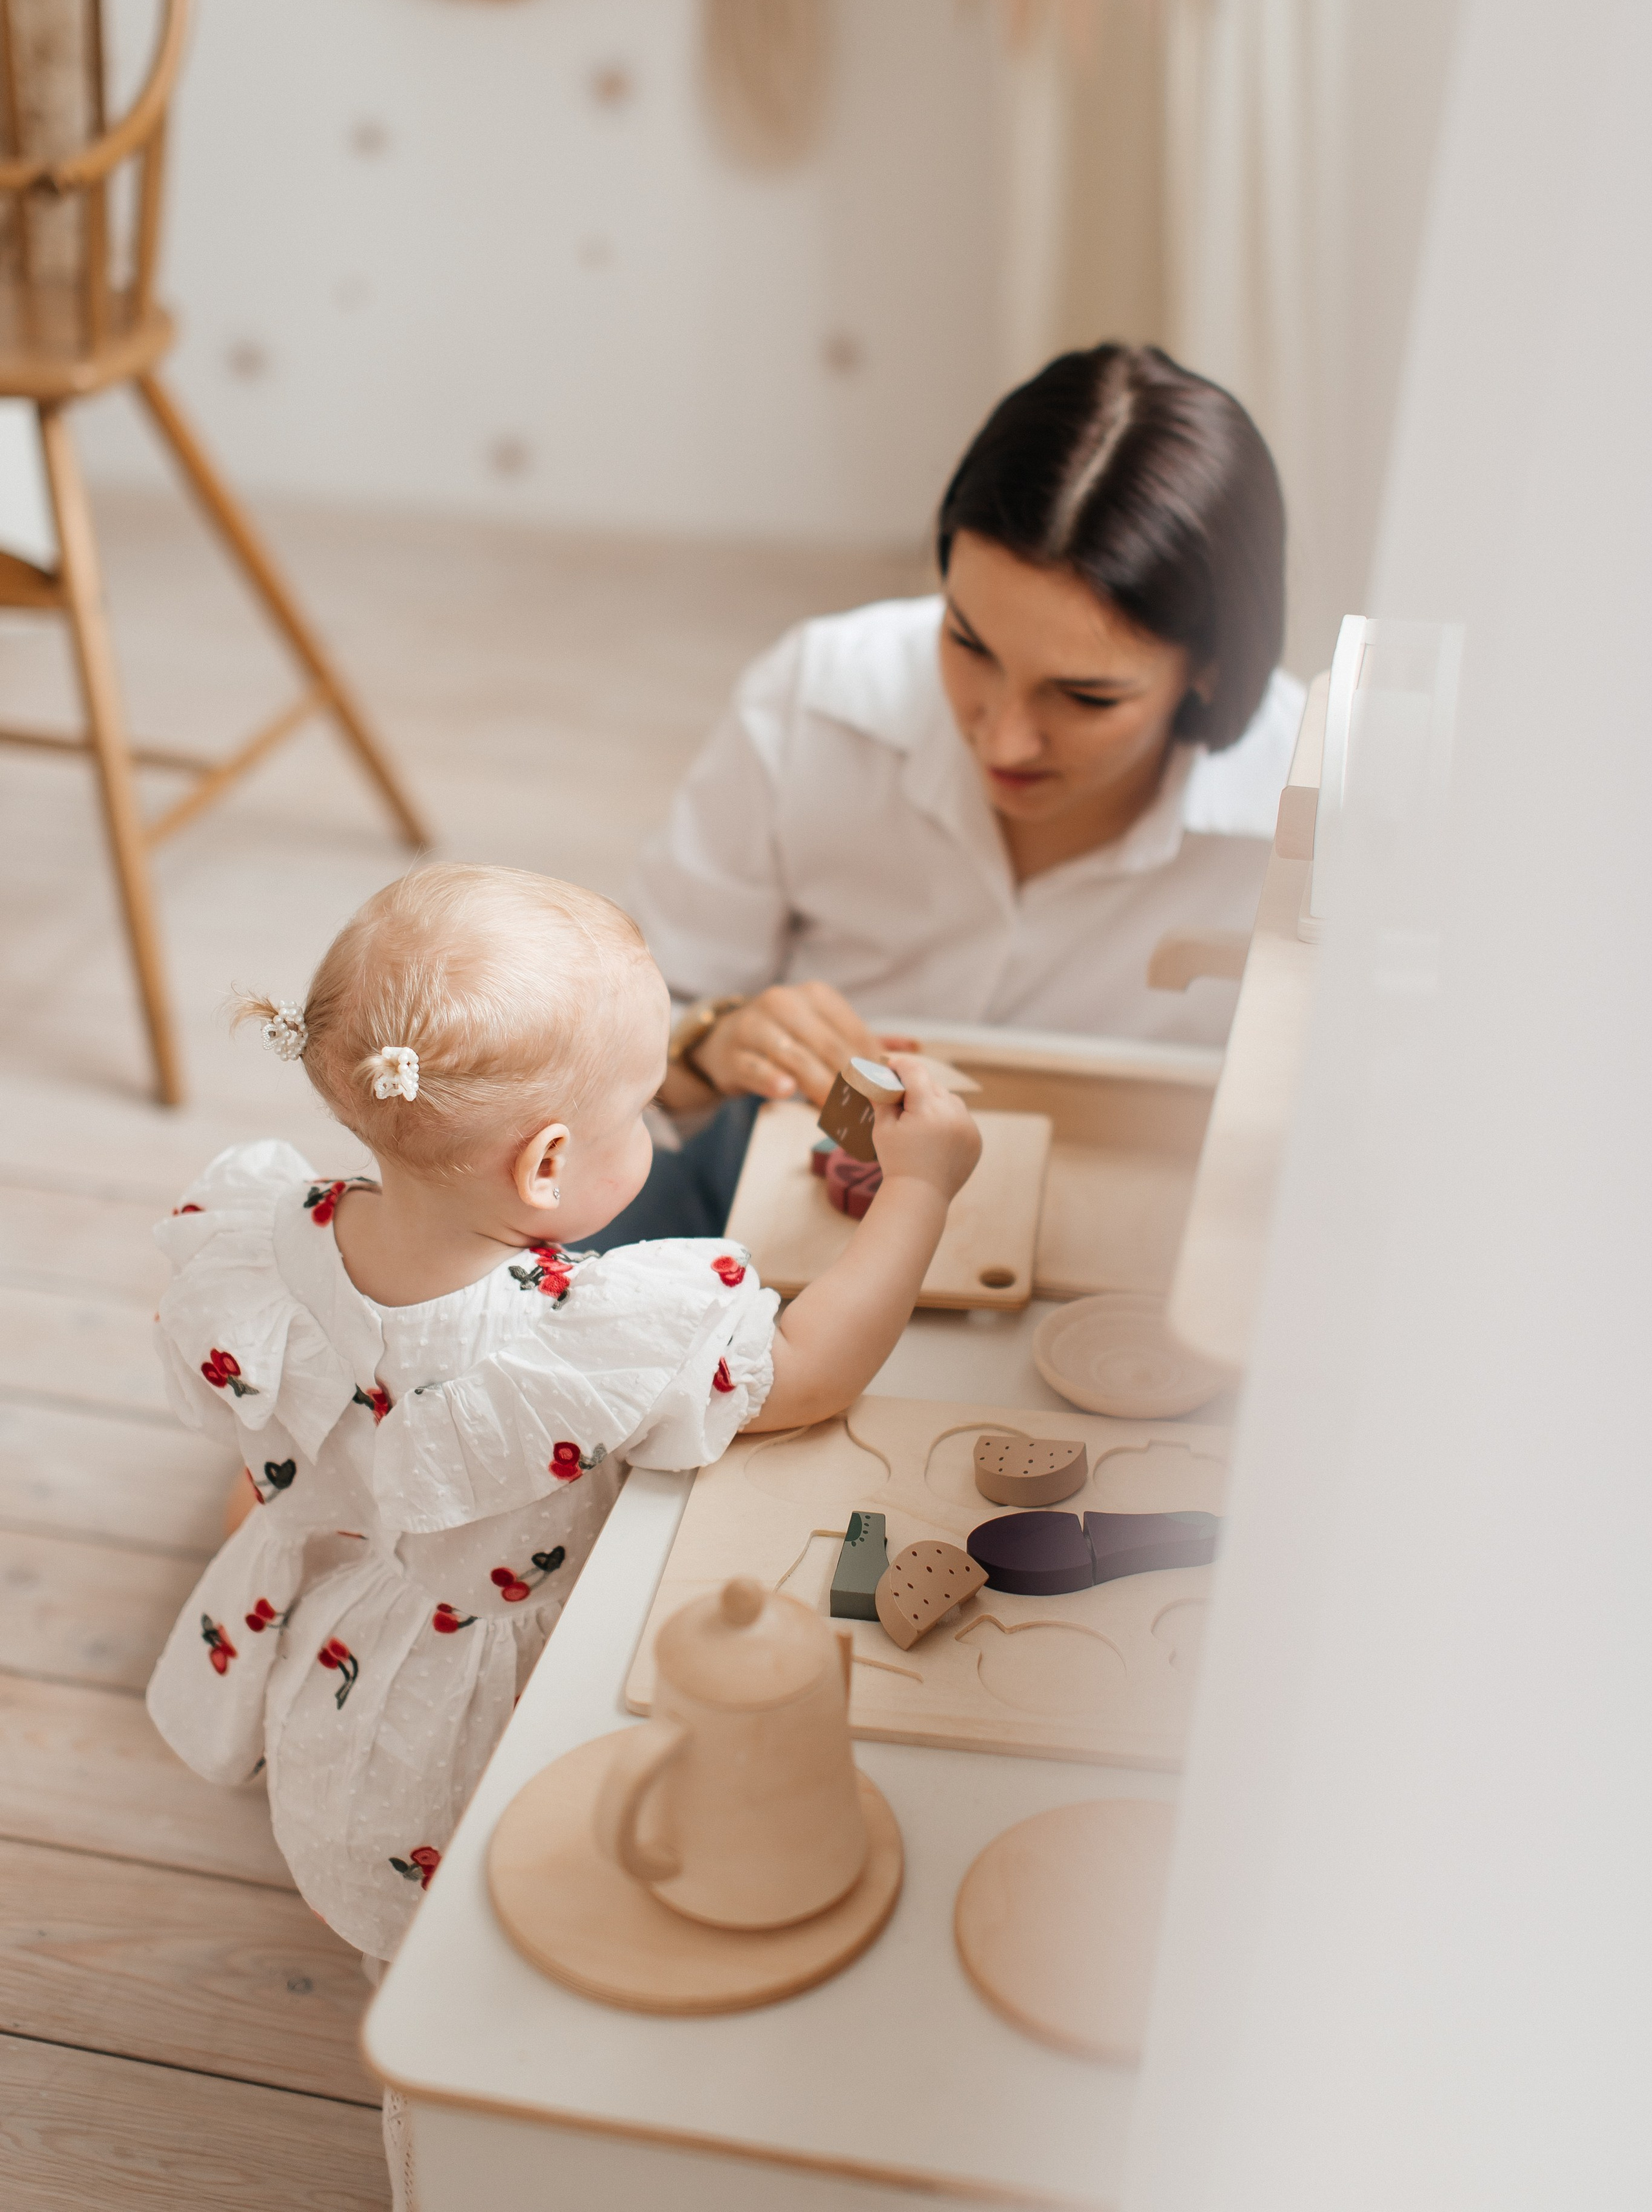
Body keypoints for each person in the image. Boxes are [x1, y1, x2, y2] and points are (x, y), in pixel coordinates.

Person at [143, 862, 979, 1972]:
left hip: (344, 1618)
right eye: (636, 1111)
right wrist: (921, 1189)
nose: (651, 1126)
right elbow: (812, 1371)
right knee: (508, 1892)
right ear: (545, 1164)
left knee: (384, 1830)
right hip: (498, 1689)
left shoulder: (261, 1237)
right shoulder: (568, 1336)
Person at [584, 342, 1304, 1248]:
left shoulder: (1303, 815)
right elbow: (625, 1041)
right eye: (967, 644)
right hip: (783, 1184)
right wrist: (716, 1042)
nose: (1003, 740)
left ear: (1212, 668)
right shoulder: (818, 695)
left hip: (1123, 1229)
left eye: (1085, 697)